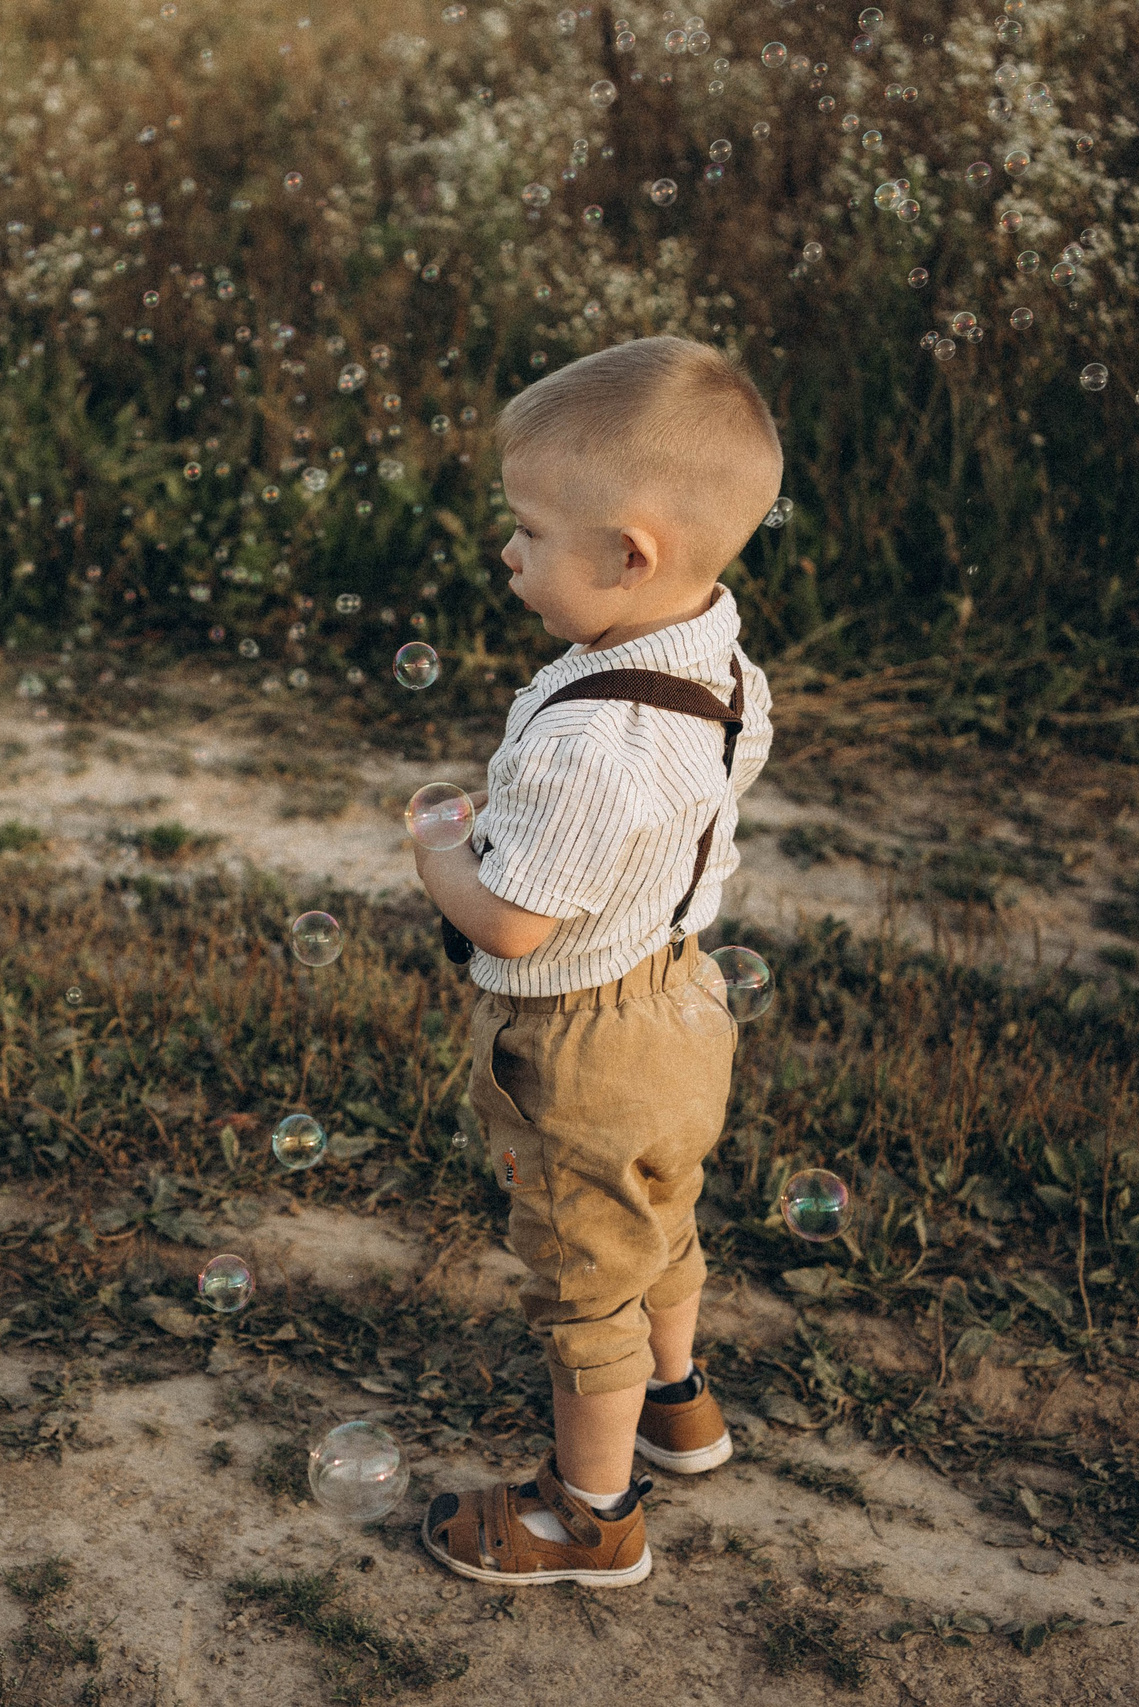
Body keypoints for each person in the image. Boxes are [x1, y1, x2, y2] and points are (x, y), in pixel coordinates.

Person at [412, 335, 780, 1587]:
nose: (506, 555)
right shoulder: (721, 662)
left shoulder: (593, 749)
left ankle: (590, 1516)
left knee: (583, 1283)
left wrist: (438, 852)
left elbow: (510, 924)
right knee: (657, 1217)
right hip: (684, 1003)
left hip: (581, 1042)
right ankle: (679, 1405)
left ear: (630, 554)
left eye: (525, 532)